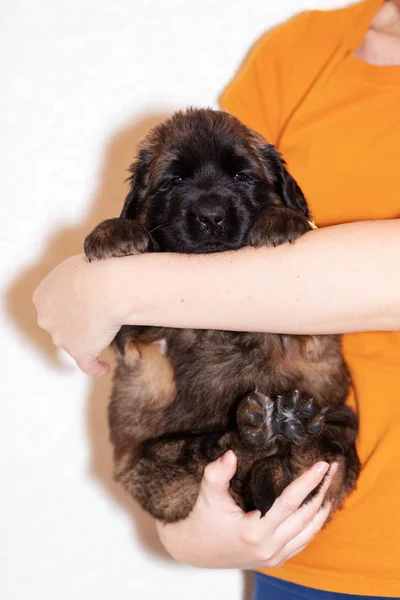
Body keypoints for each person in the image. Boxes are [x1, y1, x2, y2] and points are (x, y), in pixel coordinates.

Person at [33, 0, 400, 597]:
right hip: (299, 559)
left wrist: (112, 285)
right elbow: (156, 363)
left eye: (239, 181)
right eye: (179, 182)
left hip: (334, 480)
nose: (210, 203)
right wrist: (188, 528)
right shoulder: (299, 52)